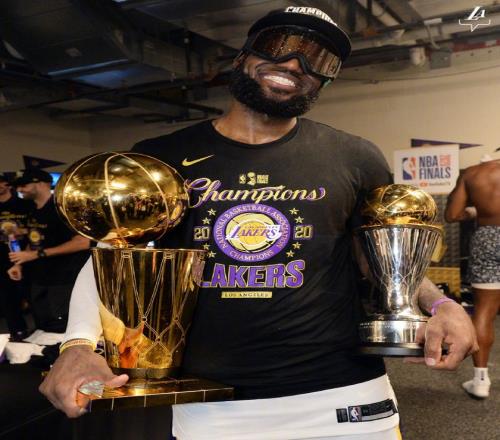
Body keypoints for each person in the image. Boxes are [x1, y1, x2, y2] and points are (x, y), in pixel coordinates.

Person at [40, 7, 477, 439]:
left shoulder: (354, 157)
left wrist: (441, 305)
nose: (295, 64)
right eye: (280, 45)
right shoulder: (162, 157)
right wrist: (77, 344)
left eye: (318, 60)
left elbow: (386, 259)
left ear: (325, 80)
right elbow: (113, 254)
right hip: (212, 406)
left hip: (345, 396)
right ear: (242, 56)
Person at [8, 169, 90, 333]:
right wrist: (19, 263)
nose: (20, 190)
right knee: (43, 327)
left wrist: (37, 254)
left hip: (63, 280)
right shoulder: (33, 209)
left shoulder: (62, 209)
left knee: (63, 328)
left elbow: (83, 242)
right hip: (39, 278)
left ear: (41, 184)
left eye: (24, 185)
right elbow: (35, 239)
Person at [445, 158, 500, 399]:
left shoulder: (474, 173)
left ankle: (480, 381)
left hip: (487, 238)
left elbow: (452, 214)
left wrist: (475, 211)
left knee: (484, 311)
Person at [0, 173, 33, 340]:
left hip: (29, 255)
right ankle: (17, 332)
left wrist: (22, 231)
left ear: (7, 184)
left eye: (1, 183)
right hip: (2, 258)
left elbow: (37, 229)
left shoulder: (25, 205)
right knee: (7, 297)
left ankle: (43, 331)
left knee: (33, 293)